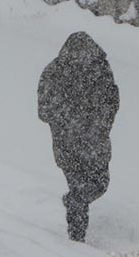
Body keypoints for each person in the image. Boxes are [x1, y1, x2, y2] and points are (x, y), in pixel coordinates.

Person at [38, 32, 120, 242]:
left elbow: (111, 99)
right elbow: (45, 109)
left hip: (88, 141)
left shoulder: (95, 69)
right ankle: (77, 237)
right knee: (88, 186)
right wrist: (77, 124)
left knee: (95, 184)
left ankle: (75, 210)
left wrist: (96, 124)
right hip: (77, 143)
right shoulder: (62, 71)